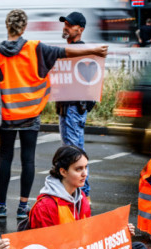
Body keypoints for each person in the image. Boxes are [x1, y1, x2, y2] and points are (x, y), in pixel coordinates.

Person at [0, 9, 108, 220]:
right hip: (30, 115)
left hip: (7, 116)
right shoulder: (36, 48)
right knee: (28, 160)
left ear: (7, 25)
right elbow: (64, 53)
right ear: (24, 27)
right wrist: (94, 50)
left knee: (5, 159)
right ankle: (22, 207)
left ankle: (1, 206)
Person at [29, 146, 147, 249]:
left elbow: (90, 236)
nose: (85, 173)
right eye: (78, 169)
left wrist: (118, 234)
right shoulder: (46, 205)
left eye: (86, 167)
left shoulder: (82, 197)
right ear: (63, 171)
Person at [56, 12, 95, 198]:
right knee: (76, 151)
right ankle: (82, 195)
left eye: (70, 25)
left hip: (72, 108)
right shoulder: (76, 49)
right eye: (65, 24)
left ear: (80, 29)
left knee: (73, 154)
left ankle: (81, 196)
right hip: (73, 108)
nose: (66, 27)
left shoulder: (78, 50)